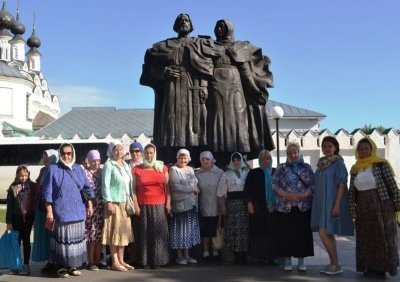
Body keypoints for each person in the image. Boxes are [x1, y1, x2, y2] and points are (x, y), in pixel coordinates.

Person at [140, 14, 214, 164]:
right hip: (173, 89)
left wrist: (204, 87)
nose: (183, 23)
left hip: (194, 89)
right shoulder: (165, 45)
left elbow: (206, 67)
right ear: (176, 25)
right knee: (172, 123)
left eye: (186, 21)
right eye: (181, 21)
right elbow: (153, 68)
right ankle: (171, 159)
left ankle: (196, 161)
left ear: (191, 25)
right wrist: (165, 72)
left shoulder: (198, 44)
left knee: (197, 126)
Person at [208, 19, 275, 161]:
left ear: (229, 29)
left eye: (223, 26)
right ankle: (219, 159)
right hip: (216, 89)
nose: (219, 29)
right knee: (218, 121)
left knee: (238, 122)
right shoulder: (210, 47)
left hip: (235, 89)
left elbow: (245, 73)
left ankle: (241, 157)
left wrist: (256, 92)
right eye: (218, 26)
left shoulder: (239, 48)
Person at [348, 137, 400, 278]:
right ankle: (369, 266)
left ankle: (381, 268)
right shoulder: (355, 169)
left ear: (371, 149)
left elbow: (392, 184)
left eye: (366, 148)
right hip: (363, 208)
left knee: (381, 237)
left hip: (381, 206)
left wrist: (397, 201)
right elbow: (352, 191)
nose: (364, 151)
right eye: (361, 149)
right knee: (366, 237)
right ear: (358, 151)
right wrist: (352, 209)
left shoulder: (380, 164)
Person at [42, 143, 94, 278]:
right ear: (60, 154)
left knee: (74, 241)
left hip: (78, 211)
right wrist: (49, 211)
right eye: (63, 153)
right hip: (62, 212)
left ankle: (71, 266)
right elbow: (47, 192)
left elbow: (87, 188)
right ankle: (60, 266)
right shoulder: (53, 169)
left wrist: (90, 205)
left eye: (69, 153)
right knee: (63, 241)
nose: (66, 156)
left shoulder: (78, 168)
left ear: (73, 154)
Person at [311, 136, 354, 275]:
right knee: (328, 233)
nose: (327, 149)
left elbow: (342, 185)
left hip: (331, 203)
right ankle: (334, 263)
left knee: (323, 233)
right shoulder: (322, 164)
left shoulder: (339, 163)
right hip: (321, 203)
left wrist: (336, 206)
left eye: (330, 146)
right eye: (325, 146)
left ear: (335, 147)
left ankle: (335, 264)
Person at [271, 143, 315, 271]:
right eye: (290, 153)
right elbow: (274, 183)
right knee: (286, 233)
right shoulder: (281, 168)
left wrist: (303, 195)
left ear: (299, 153)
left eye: (295, 152)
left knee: (302, 233)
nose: (293, 155)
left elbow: (312, 184)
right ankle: (287, 259)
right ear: (287, 155)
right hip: (285, 206)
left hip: (303, 206)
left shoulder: (306, 168)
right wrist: (285, 194)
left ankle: (301, 260)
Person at [132, 144, 170, 269]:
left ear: (155, 153)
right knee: (144, 233)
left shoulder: (162, 168)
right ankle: (145, 261)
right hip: (143, 205)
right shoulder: (137, 169)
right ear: (143, 154)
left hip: (159, 205)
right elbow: (134, 189)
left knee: (158, 233)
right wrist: (136, 205)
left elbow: (168, 187)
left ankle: (158, 260)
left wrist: (168, 202)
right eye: (147, 153)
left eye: (151, 153)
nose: (149, 155)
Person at [101, 140, 135, 272]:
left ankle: (121, 260)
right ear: (111, 151)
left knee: (123, 232)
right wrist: (108, 202)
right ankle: (115, 261)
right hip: (114, 202)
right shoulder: (109, 165)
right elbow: (105, 185)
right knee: (114, 232)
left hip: (125, 202)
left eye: (120, 149)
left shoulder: (125, 165)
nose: (118, 152)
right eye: (116, 149)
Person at [244, 150, 279, 266]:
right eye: (263, 159)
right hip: (258, 207)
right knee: (257, 231)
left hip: (273, 207)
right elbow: (247, 189)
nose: (265, 161)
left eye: (267, 159)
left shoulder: (275, 172)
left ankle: (270, 257)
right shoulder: (254, 173)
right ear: (259, 161)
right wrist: (249, 203)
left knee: (271, 232)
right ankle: (256, 256)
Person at [169, 149, 201, 265]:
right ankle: (179, 255)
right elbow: (175, 186)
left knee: (189, 230)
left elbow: (195, 182)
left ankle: (187, 255)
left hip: (192, 204)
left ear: (188, 158)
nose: (183, 160)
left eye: (185, 158)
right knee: (179, 230)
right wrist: (192, 189)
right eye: (180, 158)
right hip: (180, 205)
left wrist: (196, 187)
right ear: (177, 158)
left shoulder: (191, 169)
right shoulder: (174, 169)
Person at [217, 152, 249, 264]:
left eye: (238, 160)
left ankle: (244, 254)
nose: (236, 163)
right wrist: (223, 205)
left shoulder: (247, 173)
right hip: (232, 205)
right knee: (233, 230)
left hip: (244, 205)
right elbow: (222, 192)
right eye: (234, 160)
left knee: (244, 230)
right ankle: (235, 255)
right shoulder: (226, 174)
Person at [6, 165, 36, 275]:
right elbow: (9, 205)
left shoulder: (32, 186)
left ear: (28, 175)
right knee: (16, 241)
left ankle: (26, 264)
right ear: (17, 175)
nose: (23, 178)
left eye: (25, 175)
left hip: (28, 217)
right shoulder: (13, 187)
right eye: (21, 176)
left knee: (26, 240)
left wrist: (35, 218)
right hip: (16, 217)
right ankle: (15, 265)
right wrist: (9, 221)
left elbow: (35, 203)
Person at [31, 149, 58, 272]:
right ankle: (49, 260)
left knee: (53, 235)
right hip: (41, 208)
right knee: (44, 235)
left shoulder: (57, 170)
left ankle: (56, 260)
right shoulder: (43, 171)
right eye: (44, 160)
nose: (46, 162)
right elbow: (38, 187)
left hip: (53, 208)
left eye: (48, 160)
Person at [194, 151, 224, 262]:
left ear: (211, 160)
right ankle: (206, 251)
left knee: (216, 227)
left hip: (216, 204)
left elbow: (222, 189)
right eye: (203, 160)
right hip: (204, 204)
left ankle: (215, 250)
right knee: (205, 229)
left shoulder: (220, 172)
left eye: (207, 159)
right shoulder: (197, 174)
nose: (205, 161)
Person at [84, 150, 107, 271]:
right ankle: (91, 261)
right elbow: (84, 191)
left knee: (100, 236)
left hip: (102, 208)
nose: (96, 163)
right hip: (91, 208)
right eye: (93, 161)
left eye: (98, 160)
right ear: (89, 161)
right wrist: (89, 205)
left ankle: (98, 261)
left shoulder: (103, 172)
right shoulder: (85, 173)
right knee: (92, 236)